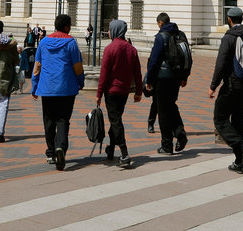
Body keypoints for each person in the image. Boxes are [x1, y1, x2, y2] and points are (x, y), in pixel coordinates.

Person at [209, 6, 243, 174]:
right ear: (242, 18)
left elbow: (221, 63)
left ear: (229, 19)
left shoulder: (229, 37)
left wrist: (213, 86)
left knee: (220, 119)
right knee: (238, 121)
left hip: (233, 85)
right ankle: (240, 162)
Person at [32, 14, 85, 171]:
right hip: (66, 88)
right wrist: (80, 82)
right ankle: (60, 147)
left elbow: (37, 66)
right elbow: (78, 66)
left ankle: (50, 152)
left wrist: (34, 87)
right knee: (63, 120)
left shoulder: (43, 42)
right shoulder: (71, 43)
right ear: (67, 27)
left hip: (47, 88)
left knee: (48, 120)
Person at [96, 19, 143, 167]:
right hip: (124, 92)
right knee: (115, 120)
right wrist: (138, 92)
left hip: (111, 91)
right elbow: (138, 73)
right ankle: (110, 149)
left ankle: (124, 153)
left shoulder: (110, 49)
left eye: (110, 30)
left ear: (115, 31)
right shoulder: (131, 49)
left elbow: (104, 74)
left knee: (116, 121)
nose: (109, 32)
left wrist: (98, 93)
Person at [144, 12, 191, 155]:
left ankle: (167, 145)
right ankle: (180, 134)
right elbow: (187, 56)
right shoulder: (180, 34)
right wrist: (184, 77)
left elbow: (154, 60)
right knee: (171, 106)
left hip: (162, 79)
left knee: (163, 112)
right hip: (176, 78)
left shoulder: (161, 36)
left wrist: (149, 80)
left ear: (160, 23)